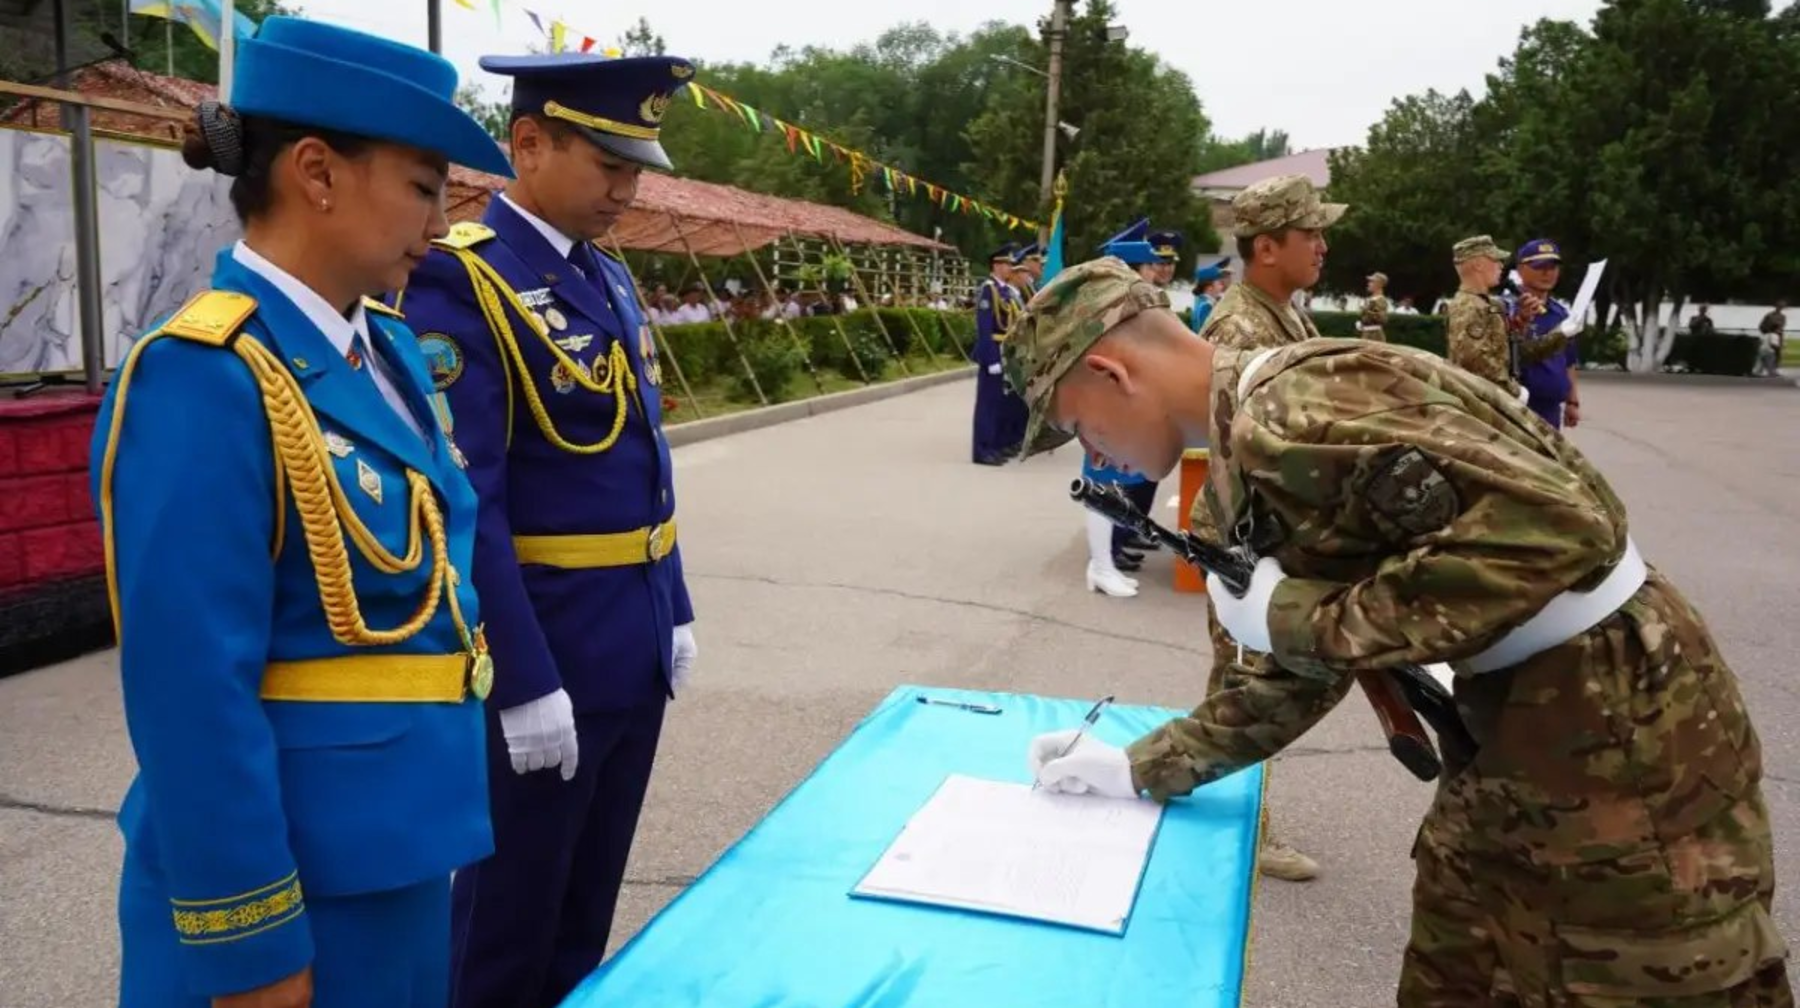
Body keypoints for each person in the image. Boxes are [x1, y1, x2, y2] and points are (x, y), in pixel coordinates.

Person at [1003, 256, 1792, 1007]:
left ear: (1111, 374)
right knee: (1460, 969)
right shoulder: (1247, 450)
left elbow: (1563, 528)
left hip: (1622, 734)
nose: (1092, 450)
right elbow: (1296, 677)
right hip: (1513, 727)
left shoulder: (1294, 406)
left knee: (1636, 972)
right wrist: (1140, 768)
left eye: (1077, 425)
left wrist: (1297, 617)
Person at [93, 16, 512, 1008]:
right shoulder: (205, 375)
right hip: (289, 894)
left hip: (399, 855)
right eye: (422, 187)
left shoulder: (396, 355)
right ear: (317, 173)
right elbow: (190, 690)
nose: (443, 222)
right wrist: (253, 947)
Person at [391, 53, 700, 1008]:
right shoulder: (463, 279)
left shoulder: (606, 275)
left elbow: (646, 459)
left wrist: (674, 606)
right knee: (506, 926)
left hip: (630, 643)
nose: (627, 187)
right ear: (529, 143)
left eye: (635, 166)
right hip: (550, 654)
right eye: (608, 164)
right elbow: (467, 500)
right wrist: (521, 681)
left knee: (583, 913)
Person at [1189, 172, 1344, 881]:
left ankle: (1214, 804)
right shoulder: (1239, 327)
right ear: (1266, 246)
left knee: (1243, 686)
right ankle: (1244, 828)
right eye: (1308, 233)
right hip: (1246, 540)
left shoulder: (1285, 315)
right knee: (1248, 689)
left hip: (1269, 539)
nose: (1322, 244)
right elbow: (1235, 455)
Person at [1503, 239, 1582, 430]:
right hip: (1518, 406)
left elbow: (1568, 361)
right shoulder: (1506, 308)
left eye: (1553, 266)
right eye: (1540, 267)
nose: (1548, 273)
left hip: (1551, 410)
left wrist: (1572, 402)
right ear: (1521, 269)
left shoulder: (1561, 313)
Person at [1443, 235, 1524, 401]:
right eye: (1496, 260)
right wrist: (1514, 391)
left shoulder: (1483, 303)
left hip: (1489, 398)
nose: (1501, 266)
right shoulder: (1469, 307)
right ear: (1478, 265)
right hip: (1483, 401)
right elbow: (1476, 365)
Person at [972, 241, 1026, 465]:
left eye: (1010, 265)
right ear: (995, 266)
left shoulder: (1005, 291)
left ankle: (996, 444)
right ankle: (982, 449)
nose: (1009, 269)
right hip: (993, 352)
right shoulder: (989, 289)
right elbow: (985, 328)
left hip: (1006, 352)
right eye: (1005, 265)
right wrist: (992, 358)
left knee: (1001, 404)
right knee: (988, 403)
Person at [1189, 260, 1225, 333]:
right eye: (1219, 283)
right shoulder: (1206, 306)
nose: (1222, 286)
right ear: (1209, 287)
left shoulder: (1203, 302)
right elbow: (1208, 332)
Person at [1359, 271, 1389, 342]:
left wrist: (1366, 310)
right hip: (1366, 333)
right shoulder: (1370, 299)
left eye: (1372, 282)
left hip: (1375, 335)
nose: (1368, 284)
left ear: (1379, 284)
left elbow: (1383, 319)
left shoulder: (1381, 300)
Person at [1759, 300, 1787, 376]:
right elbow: (1761, 326)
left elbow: (1782, 327)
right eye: (1779, 306)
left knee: (1777, 354)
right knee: (1768, 353)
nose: (1780, 308)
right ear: (1776, 306)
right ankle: (1764, 369)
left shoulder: (1783, 317)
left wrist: (1779, 334)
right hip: (1769, 336)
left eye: (1782, 307)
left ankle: (1774, 369)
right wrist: (1768, 333)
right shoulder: (1769, 315)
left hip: (1778, 337)